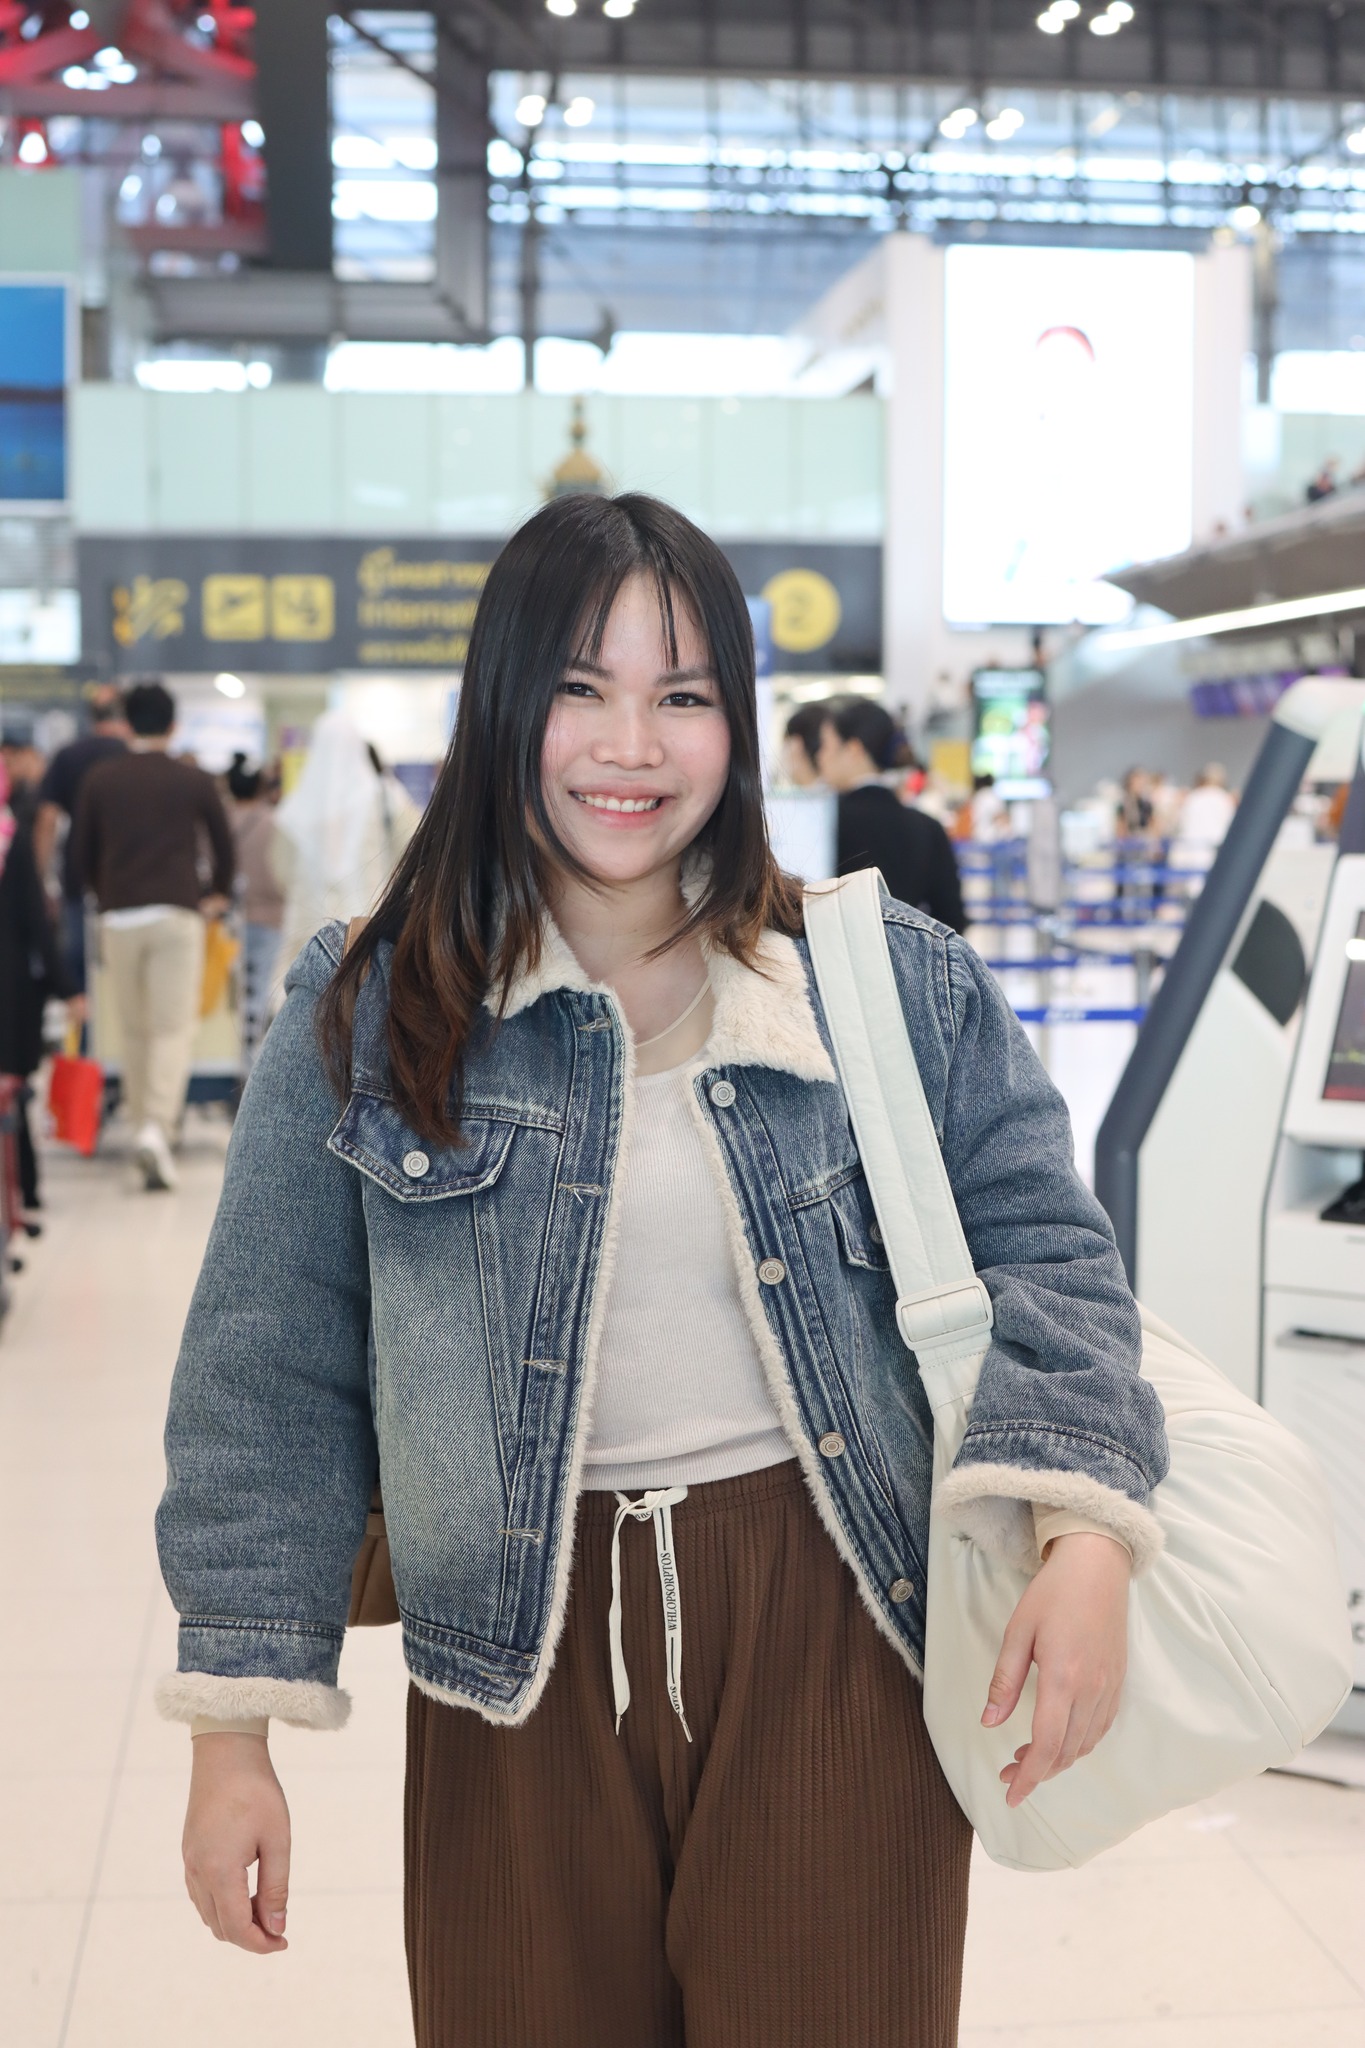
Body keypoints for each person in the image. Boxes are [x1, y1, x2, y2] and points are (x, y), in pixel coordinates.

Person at [157, 492, 1165, 2048]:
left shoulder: (873, 979)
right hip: (511, 1655)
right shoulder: (373, 1009)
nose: (630, 746)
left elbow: (1049, 1247)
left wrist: (1084, 1535)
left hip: (834, 1617)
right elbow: (265, 1374)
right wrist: (234, 1733)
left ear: (736, 727)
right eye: (582, 688)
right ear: (504, 704)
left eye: (681, 697)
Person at [70, 680, 235, 1192]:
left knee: (134, 1028)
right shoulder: (193, 779)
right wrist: (217, 893)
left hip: (118, 917)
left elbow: (78, 855)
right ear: (173, 725)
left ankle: (146, 1125)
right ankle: (155, 1130)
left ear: (125, 724)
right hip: (177, 915)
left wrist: (103, 894)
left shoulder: (100, 780)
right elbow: (224, 846)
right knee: (171, 1028)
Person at [270, 712, 421, 1000]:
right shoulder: (387, 798)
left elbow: (281, 873)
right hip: (371, 933)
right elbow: (415, 856)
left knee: (309, 1012)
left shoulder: (295, 807)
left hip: (307, 935)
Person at [0, 741, 77, 1218]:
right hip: (9, 991)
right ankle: (21, 1192)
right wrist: (65, 986)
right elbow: (34, 919)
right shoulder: (10, 838)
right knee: (11, 1097)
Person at [816, 696, 967, 933]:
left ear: (854, 749)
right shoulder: (928, 827)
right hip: (909, 955)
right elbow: (951, 920)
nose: (820, 757)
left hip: (831, 953)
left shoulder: (823, 822)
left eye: (826, 745)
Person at [33, 687, 130, 995]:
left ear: (90, 717)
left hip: (78, 874)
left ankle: (85, 1024)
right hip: (127, 877)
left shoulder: (68, 756)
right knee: (121, 972)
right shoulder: (131, 756)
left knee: (79, 967)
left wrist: (41, 880)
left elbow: (47, 820)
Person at [226, 753, 283, 1070]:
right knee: (260, 990)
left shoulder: (220, 821)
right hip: (270, 917)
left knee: (232, 994)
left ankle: (232, 1058)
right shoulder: (273, 823)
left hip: (230, 919)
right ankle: (252, 1064)